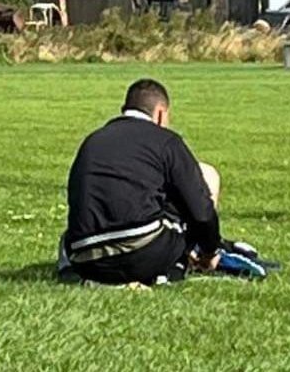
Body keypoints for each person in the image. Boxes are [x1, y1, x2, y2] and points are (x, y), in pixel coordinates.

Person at [58, 78, 224, 285]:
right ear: (161, 114)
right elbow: (200, 211)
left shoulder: (93, 140)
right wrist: (210, 250)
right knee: (206, 175)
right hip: (142, 254)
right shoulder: (166, 141)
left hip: (85, 257)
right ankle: (175, 268)